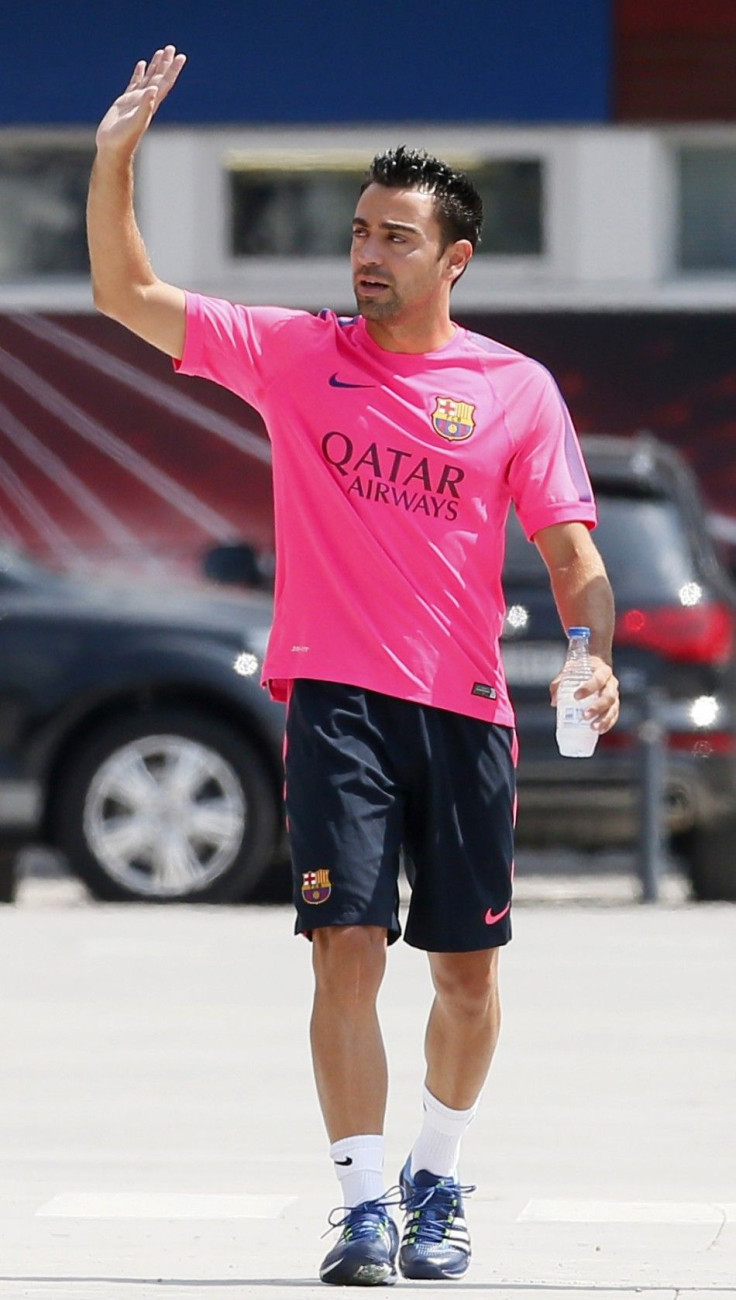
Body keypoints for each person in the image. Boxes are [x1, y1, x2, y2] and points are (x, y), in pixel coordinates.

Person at [88, 47, 620, 1287]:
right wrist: (115, 158)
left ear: (454, 260)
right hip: (333, 700)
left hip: (467, 713)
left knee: (469, 978)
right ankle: (365, 1202)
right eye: (357, 232)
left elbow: (573, 557)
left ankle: (441, 1172)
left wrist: (590, 653)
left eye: (395, 235)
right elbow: (128, 292)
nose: (366, 254)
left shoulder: (515, 391)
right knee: (345, 946)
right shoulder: (289, 354)